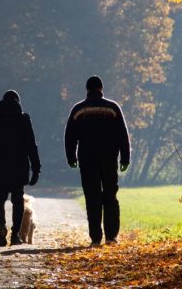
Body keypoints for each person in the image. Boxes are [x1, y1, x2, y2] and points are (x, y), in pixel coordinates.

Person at [64, 76, 130, 245]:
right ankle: (111, 236)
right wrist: (125, 157)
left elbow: (70, 136)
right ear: (101, 88)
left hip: (87, 160)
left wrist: (71, 157)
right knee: (110, 196)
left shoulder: (78, 109)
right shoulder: (112, 108)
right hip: (109, 158)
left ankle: (95, 238)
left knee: (92, 197)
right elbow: (122, 134)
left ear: (87, 89)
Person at [0, 90, 41, 246]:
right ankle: (15, 235)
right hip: (19, 167)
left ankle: (1, 227)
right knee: (17, 200)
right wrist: (36, 168)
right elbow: (31, 145)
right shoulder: (23, 119)